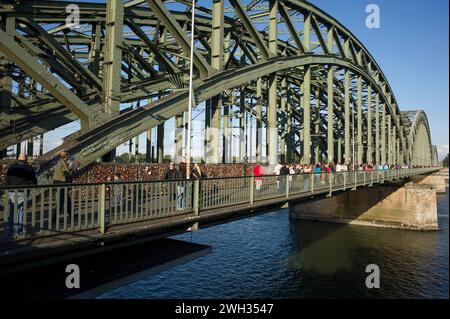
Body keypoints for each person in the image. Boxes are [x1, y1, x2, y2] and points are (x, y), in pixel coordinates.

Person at [5, 153, 37, 237]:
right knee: (20, 212)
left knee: (12, 211)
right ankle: (19, 232)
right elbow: (34, 181)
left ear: (18, 158)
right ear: (25, 159)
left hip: (11, 192)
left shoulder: (11, 167)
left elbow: (7, 180)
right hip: (23, 192)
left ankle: (10, 232)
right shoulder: (29, 168)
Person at [52, 150, 73, 224]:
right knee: (62, 203)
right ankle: (53, 219)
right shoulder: (63, 163)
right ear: (66, 156)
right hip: (61, 185)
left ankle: (71, 216)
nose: (68, 157)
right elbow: (67, 174)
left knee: (67, 202)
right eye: (67, 155)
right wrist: (72, 170)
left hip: (59, 184)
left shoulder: (59, 162)